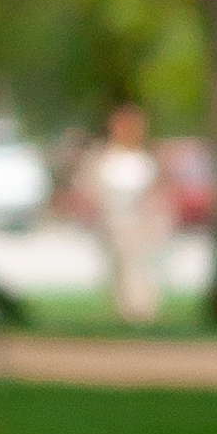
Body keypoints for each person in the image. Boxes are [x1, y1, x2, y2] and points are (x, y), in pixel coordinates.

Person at [81, 102, 172, 327]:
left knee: (141, 268)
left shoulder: (148, 157)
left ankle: (142, 311)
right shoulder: (103, 157)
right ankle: (129, 310)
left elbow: (159, 190)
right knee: (121, 268)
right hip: (115, 221)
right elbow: (93, 189)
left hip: (142, 222)